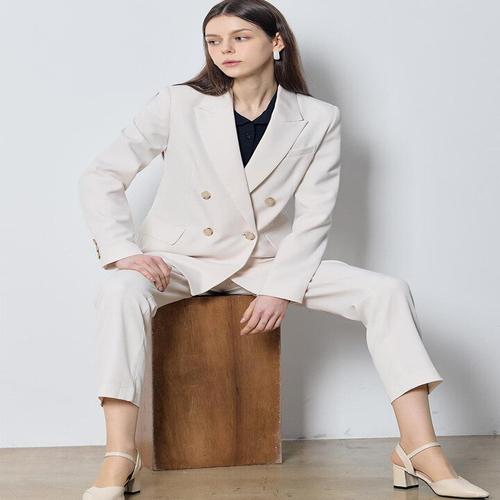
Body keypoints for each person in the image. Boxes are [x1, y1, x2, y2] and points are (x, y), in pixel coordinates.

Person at [78, 1, 489, 499]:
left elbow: (315, 214)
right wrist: (123, 251)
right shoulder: (177, 103)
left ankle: (419, 448)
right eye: (214, 41)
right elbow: (102, 175)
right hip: (183, 260)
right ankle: (120, 454)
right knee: (119, 291)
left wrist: (281, 288)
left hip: (268, 261)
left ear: (276, 42)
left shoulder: (318, 118)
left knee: (387, 291)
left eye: (240, 37)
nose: (225, 50)